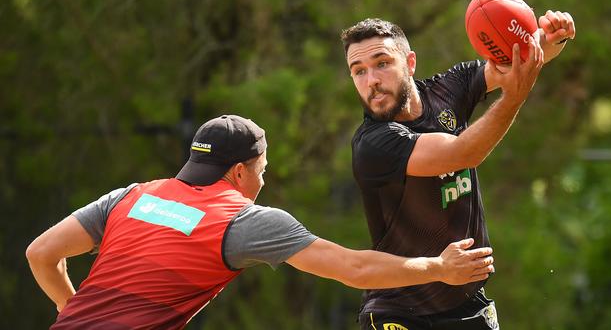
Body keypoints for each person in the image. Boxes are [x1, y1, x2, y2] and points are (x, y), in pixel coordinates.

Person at [26, 114, 496, 329]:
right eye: (263, 171)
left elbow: (41, 254)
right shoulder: (244, 221)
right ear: (240, 171)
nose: (263, 181)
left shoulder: (130, 197)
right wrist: (438, 267)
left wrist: (76, 315)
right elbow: (353, 269)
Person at [341, 10, 576, 330]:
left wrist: (549, 38)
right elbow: (464, 154)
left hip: (467, 305)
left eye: (382, 63)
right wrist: (513, 99)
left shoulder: (448, 90)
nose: (372, 81)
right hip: (398, 310)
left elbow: (513, 63)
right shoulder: (372, 145)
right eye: (359, 71)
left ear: (410, 63)